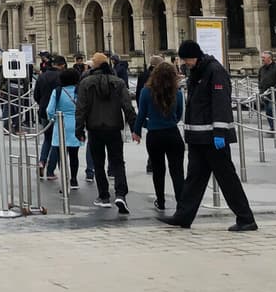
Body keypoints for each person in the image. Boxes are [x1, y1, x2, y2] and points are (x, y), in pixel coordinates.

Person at [159, 40, 257, 232]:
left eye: (186, 59)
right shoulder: (198, 71)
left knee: (227, 179)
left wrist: (220, 132)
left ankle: (246, 218)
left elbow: (220, 103)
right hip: (198, 137)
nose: (184, 63)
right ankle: (183, 216)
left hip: (212, 137)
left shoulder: (215, 71)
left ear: (194, 56)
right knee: (194, 178)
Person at [75, 52, 136, 213]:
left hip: (95, 128)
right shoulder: (119, 82)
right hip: (114, 127)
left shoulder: (86, 83)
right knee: (117, 162)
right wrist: (135, 127)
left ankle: (103, 196)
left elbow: (81, 109)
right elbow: (128, 107)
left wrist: (79, 129)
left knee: (98, 163)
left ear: (93, 66)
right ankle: (121, 194)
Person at [134, 61, 186, 212]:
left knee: (158, 170)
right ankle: (181, 202)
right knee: (177, 170)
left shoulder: (146, 91)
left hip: (154, 135)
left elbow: (141, 114)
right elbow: (179, 114)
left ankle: (161, 201)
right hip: (172, 133)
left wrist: (137, 130)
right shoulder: (177, 92)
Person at [44, 68, 82, 188]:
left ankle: (65, 177)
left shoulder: (58, 91)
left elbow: (49, 110)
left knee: (62, 155)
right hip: (76, 124)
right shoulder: (79, 91)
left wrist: (53, 118)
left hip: (61, 123)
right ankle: (74, 179)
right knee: (74, 155)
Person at [33, 56, 66, 177]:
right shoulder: (62, 77)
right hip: (58, 112)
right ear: (62, 65)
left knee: (47, 139)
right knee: (57, 141)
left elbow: (36, 95)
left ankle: (42, 161)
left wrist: (42, 103)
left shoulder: (42, 76)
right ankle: (51, 171)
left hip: (43, 111)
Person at [257, 51, 276, 132]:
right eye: (262, 57)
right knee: (268, 110)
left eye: (264, 58)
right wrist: (260, 89)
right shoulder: (261, 69)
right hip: (264, 93)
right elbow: (259, 79)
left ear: (269, 58)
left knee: (271, 108)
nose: (262, 59)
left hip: (273, 93)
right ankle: (273, 126)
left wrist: (275, 89)